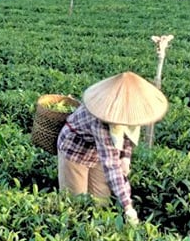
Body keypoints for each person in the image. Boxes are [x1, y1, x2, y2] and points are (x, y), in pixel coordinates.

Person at [56, 71, 168, 225]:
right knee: (76, 202)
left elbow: (128, 134)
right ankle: (77, 235)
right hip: (74, 149)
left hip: (96, 150)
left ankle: (97, 232)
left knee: (101, 199)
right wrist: (128, 207)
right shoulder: (101, 120)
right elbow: (111, 165)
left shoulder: (130, 113)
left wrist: (126, 158)